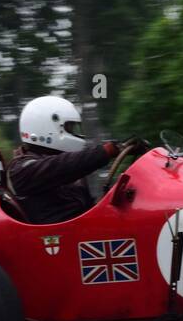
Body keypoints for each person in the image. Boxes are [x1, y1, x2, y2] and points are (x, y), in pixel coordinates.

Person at [9, 96, 142, 225]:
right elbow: (61, 166)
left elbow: (89, 210)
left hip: (81, 234)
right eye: (70, 128)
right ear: (47, 128)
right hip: (59, 241)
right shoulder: (22, 169)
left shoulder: (69, 172)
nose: (74, 133)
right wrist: (105, 151)